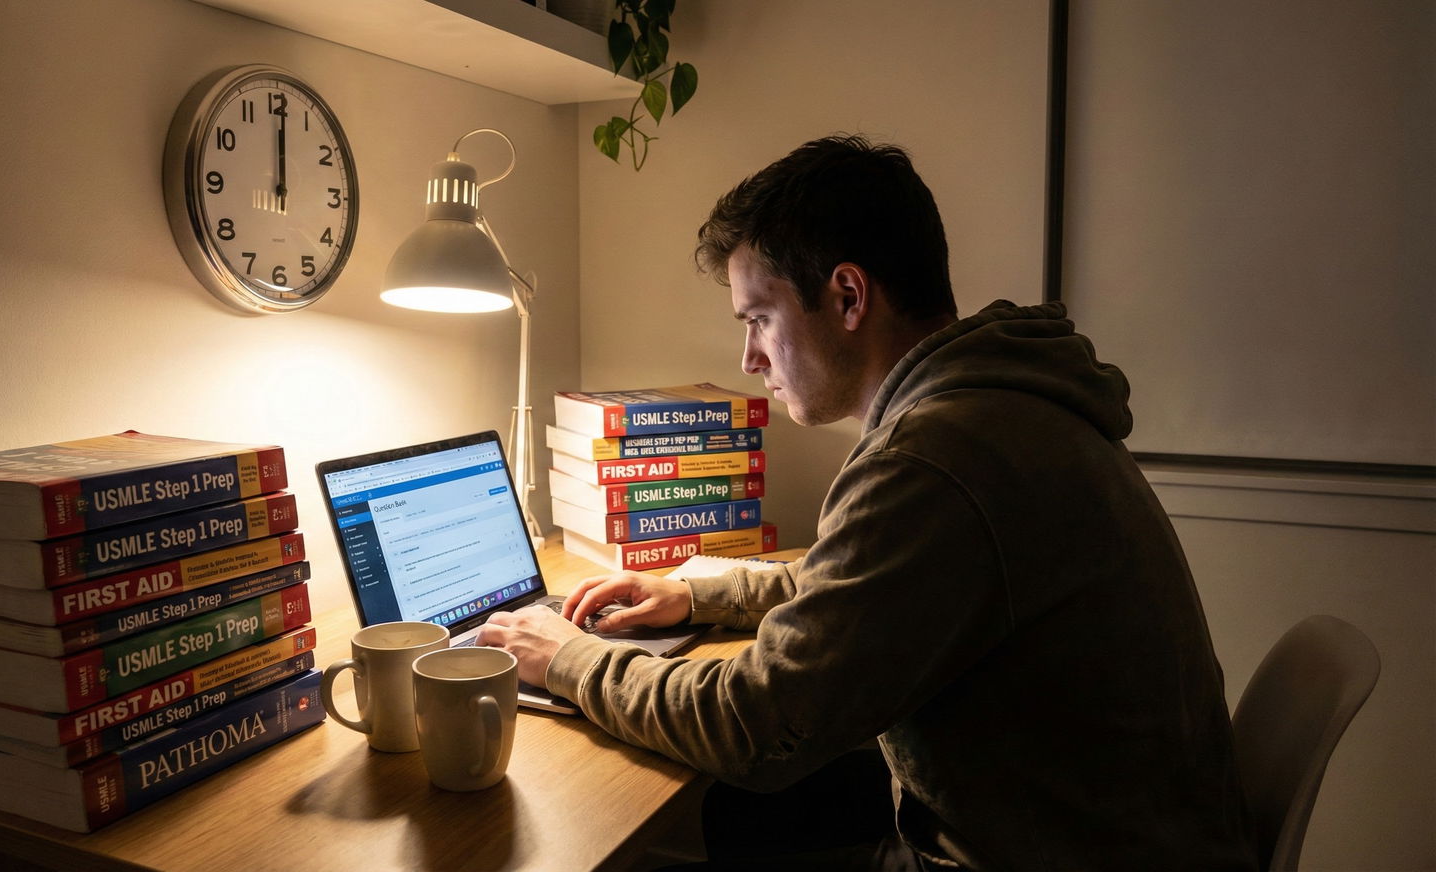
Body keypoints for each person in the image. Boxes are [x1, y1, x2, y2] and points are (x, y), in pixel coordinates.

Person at [477, 135, 1258, 870]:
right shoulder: (997, 409)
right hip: (1112, 835)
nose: (749, 358)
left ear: (848, 295)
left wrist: (568, 659)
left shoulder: (933, 459)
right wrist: (691, 592)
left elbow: (758, 724)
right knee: (736, 824)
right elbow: (875, 589)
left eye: (759, 319)